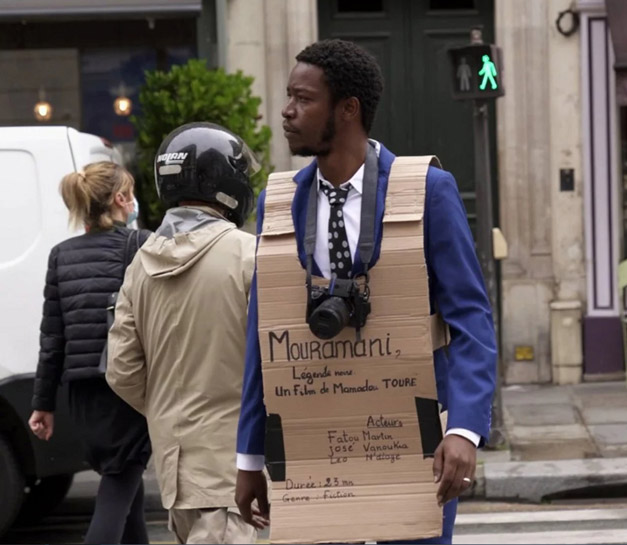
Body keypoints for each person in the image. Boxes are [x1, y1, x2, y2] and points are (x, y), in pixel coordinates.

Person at [235, 39, 498, 544]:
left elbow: (471, 318)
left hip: (416, 435)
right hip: (314, 437)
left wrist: (464, 429)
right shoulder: (278, 202)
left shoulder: (427, 191)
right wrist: (249, 455)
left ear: (348, 109)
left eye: (303, 99)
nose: (286, 112)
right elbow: (262, 337)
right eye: (288, 96)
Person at [106, 122, 258, 544]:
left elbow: (121, 371)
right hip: (233, 470)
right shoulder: (249, 254)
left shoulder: (140, 265)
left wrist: (168, 408)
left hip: (175, 472)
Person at [29, 161, 151, 545]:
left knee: (125, 483)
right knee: (119, 484)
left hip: (81, 397)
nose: (133, 203)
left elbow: (52, 338)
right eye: (130, 194)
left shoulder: (60, 255)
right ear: (119, 199)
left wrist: (42, 404)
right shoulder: (139, 244)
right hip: (126, 391)